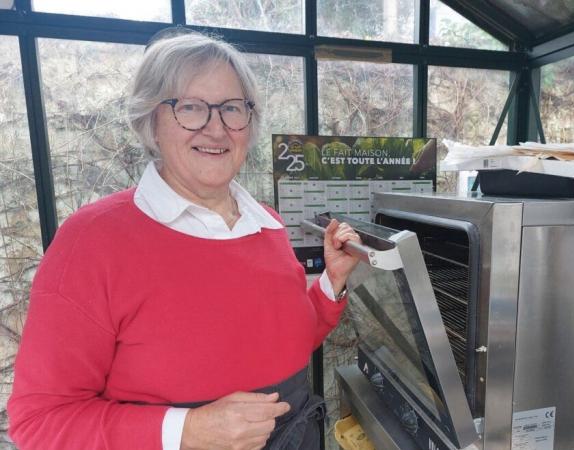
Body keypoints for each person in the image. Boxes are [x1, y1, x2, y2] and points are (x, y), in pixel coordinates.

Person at [8, 29, 361, 450]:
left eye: (231, 108)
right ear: (151, 121)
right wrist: (186, 429)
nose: (216, 129)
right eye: (190, 107)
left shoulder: (265, 223)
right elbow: (40, 422)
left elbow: (286, 342)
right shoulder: (92, 242)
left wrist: (331, 284)